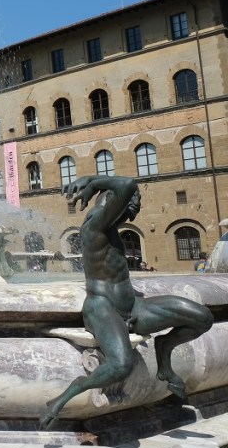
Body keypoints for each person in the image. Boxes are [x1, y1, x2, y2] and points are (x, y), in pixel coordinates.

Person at [39, 176, 214, 429]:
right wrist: (92, 181)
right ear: (111, 203)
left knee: (203, 318)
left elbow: (126, 191)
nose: (131, 214)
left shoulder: (109, 229)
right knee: (121, 366)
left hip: (132, 307)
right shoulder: (95, 226)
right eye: (128, 208)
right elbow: (127, 185)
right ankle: (65, 395)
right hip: (102, 307)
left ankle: (164, 352)